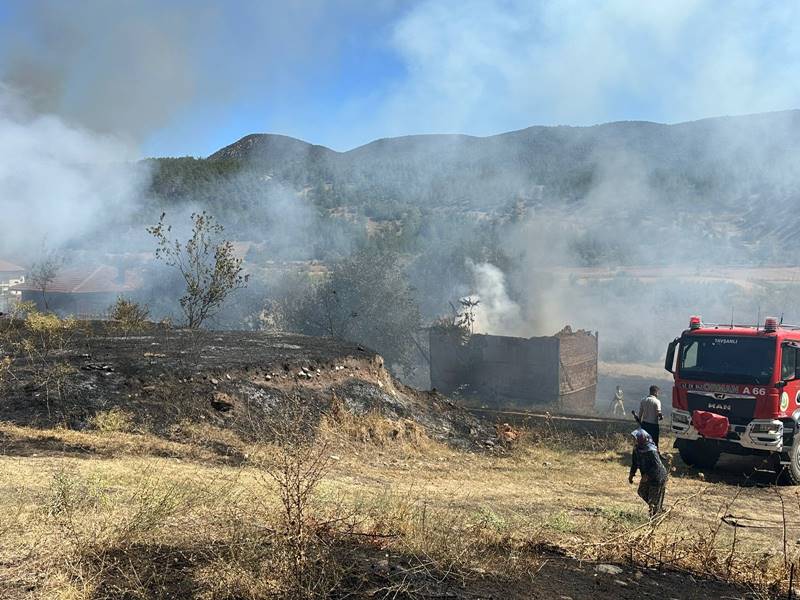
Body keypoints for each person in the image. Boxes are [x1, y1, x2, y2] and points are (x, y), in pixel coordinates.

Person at [629, 428, 668, 517]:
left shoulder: (651, 451)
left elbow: (656, 466)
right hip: (647, 476)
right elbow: (634, 463)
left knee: (653, 501)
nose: (633, 441)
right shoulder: (637, 449)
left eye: (635, 438)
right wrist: (631, 475)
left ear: (642, 438)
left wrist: (647, 475)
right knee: (641, 492)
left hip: (658, 476)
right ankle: (658, 509)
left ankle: (654, 520)